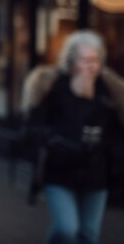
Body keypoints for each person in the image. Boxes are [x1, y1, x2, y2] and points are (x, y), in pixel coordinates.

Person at [22, 30, 124, 244]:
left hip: (97, 174)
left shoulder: (109, 90)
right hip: (60, 172)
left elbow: (115, 132)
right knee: (66, 229)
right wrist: (55, 142)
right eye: (85, 60)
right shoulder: (52, 87)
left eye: (95, 60)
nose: (91, 66)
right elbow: (34, 127)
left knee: (88, 234)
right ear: (71, 61)